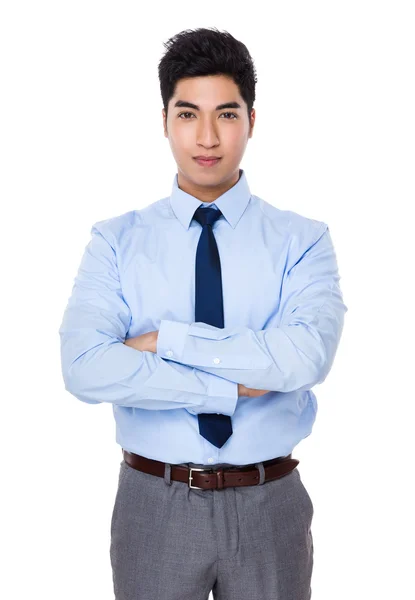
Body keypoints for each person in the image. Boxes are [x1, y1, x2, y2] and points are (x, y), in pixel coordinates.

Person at [59, 26, 348, 600]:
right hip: (154, 502)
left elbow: (304, 358)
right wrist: (228, 386)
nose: (208, 137)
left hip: (270, 503)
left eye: (227, 114)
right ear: (164, 119)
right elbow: (85, 368)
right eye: (188, 114)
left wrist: (164, 340)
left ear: (252, 120)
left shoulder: (303, 241)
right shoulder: (115, 242)